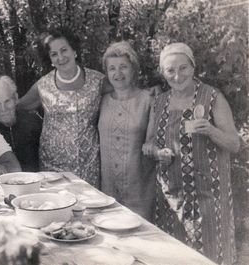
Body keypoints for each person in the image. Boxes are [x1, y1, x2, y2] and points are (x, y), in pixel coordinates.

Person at [143, 43, 240, 264]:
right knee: (173, 256)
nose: (177, 76)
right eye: (170, 70)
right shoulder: (159, 103)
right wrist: (158, 153)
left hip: (208, 198)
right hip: (171, 199)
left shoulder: (212, 98)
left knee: (210, 256)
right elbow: (148, 145)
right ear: (163, 73)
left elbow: (234, 144)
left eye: (183, 68)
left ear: (193, 67)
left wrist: (211, 130)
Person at [18, 27, 104, 188]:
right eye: (54, 54)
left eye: (64, 50)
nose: (61, 57)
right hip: (53, 166)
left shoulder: (97, 80)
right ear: (50, 59)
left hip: (89, 162)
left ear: (74, 51)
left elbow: (123, 92)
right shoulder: (43, 85)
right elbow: (19, 106)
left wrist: (149, 92)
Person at [98, 41, 155, 220]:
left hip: (139, 191)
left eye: (123, 67)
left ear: (134, 69)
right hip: (107, 191)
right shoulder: (101, 101)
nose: (118, 73)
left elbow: (153, 142)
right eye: (112, 68)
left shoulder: (149, 100)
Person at [0, 76, 42, 172]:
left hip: (35, 180)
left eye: (7, 101)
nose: (3, 108)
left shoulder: (33, 121)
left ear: (16, 99)